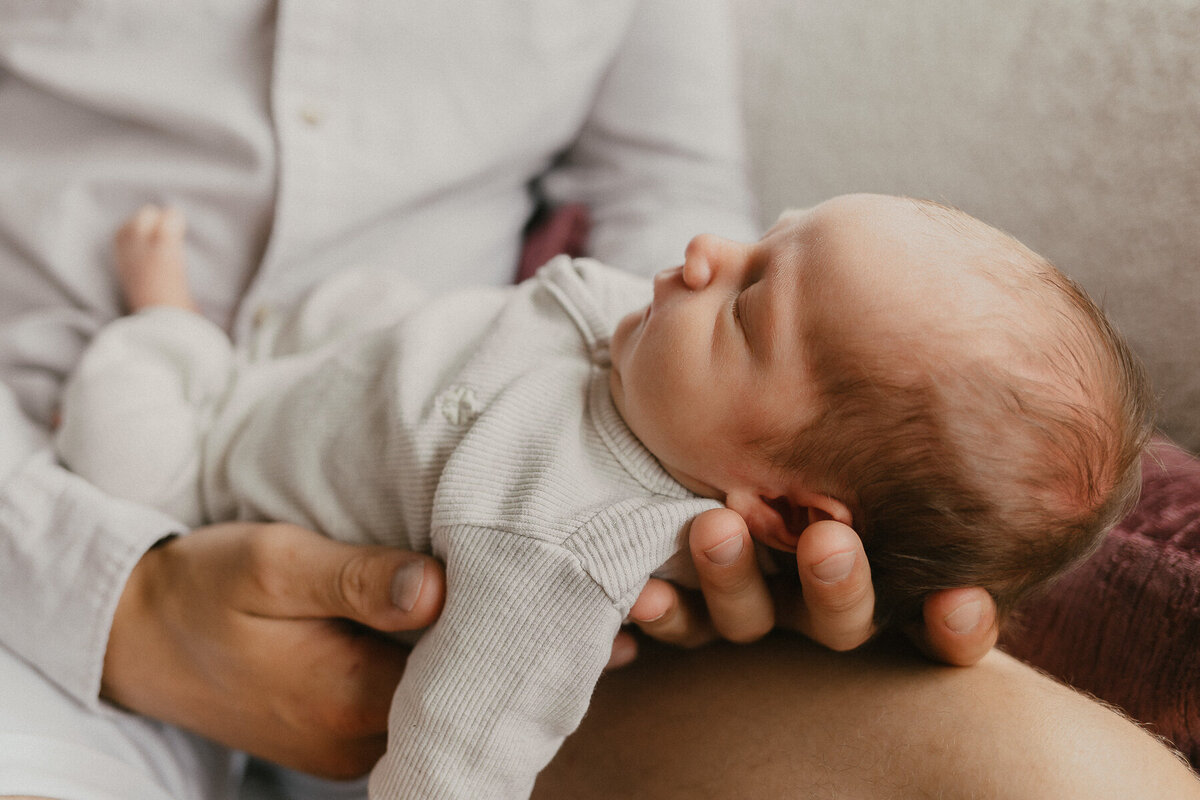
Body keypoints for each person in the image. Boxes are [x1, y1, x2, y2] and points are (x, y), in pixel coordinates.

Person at [3, 3, 1192, 799]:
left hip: (385, 563)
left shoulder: (557, 545)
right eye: (752, 248)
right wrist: (129, 605)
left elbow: (456, 749)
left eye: (744, 293)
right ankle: (168, 326)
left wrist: (792, 579)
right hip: (67, 469)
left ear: (781, 513)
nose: (693, 254)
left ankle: (173, 331)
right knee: (139, 403)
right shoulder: (638, 330)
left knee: (1082, 776)